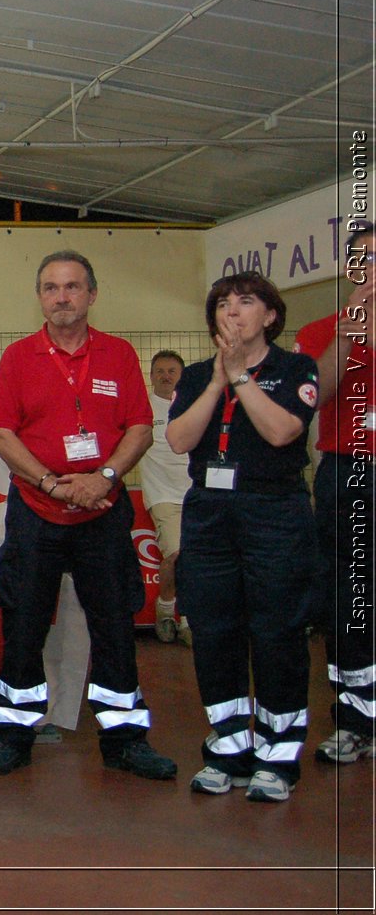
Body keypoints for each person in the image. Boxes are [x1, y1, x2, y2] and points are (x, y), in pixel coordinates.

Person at [0, 251, 176, 781]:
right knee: (22, 623)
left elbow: (139, 427)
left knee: (114, 626)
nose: (61, 296)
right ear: (40, 297)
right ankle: (12, 737)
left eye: (71, 287)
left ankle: (125, 740)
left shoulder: (119, 354)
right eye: (50, 288)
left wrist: (103, 479)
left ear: (92, 293)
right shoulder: (18, 357)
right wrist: (48, 481)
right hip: (36, 512)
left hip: (103, 511)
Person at [166, 272, 318, 801]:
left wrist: (243, 380)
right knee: (213, 629)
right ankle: (228, 746)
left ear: (270, 316)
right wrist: (216, 381)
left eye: (246, 302)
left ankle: (278, 756)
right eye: (223, 304)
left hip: (273, 511)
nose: (233, 312)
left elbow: (282, 432)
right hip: (209, 512)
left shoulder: (294, 368)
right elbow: (180, 438)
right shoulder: (198, 375)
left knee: (276, 630)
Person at [293, 220, 375, 765]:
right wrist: (353, 328)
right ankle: (354, 718)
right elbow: (312, 398)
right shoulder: (325, 328)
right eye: (362, 260)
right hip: (349, 472)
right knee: (350, 599)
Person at [143, 351, 192, 645]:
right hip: (163, 495)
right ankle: (165, 609)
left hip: (197, 495)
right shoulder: (142, 408)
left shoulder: (194, 403)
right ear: (151, 376)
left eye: (172, 370)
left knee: (195, 560)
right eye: (159, 371)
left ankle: (187, 620)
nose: (165, 376)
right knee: (175, 555)